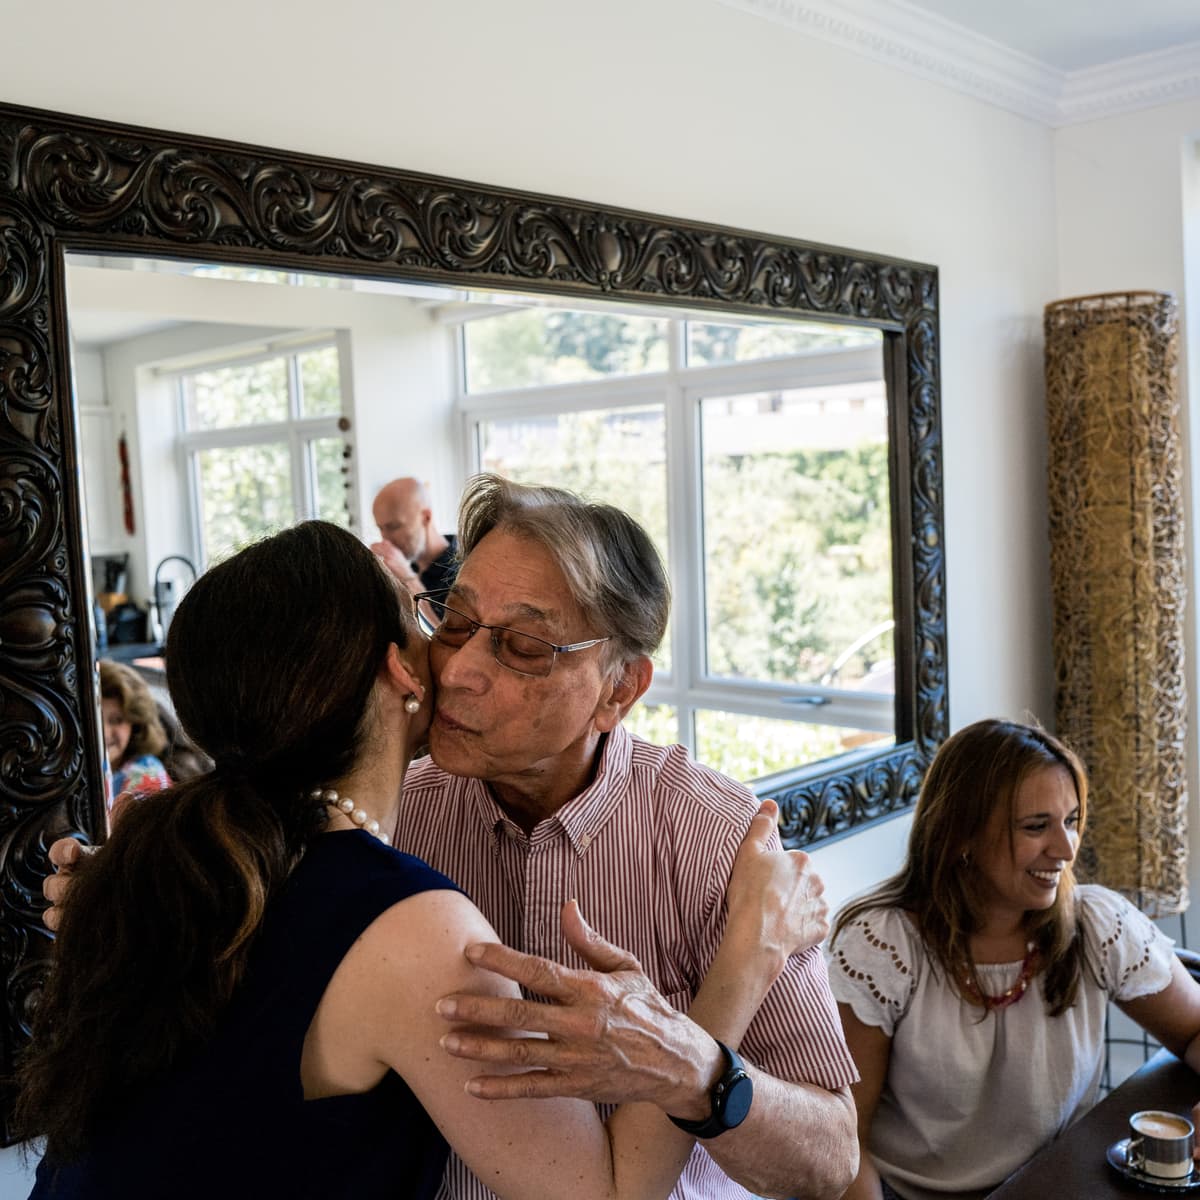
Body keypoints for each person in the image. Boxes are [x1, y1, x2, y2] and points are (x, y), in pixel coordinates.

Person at [47, 476, 860, 1200]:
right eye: (453, 618)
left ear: (621, 687)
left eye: (522, 646)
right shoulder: (377, 833)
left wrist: (703, 1072)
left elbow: (832, 1158)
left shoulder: (722, 841)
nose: (461, 667)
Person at [826, 718, 1200, 1200]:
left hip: (1057, 1185)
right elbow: (842, 1139)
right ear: (961, 835)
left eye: (1070, 821)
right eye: (1036, 826)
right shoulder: (882, 944)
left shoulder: (1097, 925)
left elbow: (1194, 1028)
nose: (1065, 848)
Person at [97, 659, 170, 804]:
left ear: (136, 724)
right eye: (95, 718)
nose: (104, 732)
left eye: (117, 720)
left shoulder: (147, 775)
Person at [372, 476, 458, 595]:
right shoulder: (410, 569)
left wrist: (408, 579)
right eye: (380, 528)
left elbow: (447, 614)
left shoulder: (463, 568)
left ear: (426, 517)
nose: (385, 539)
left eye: (394, 526)